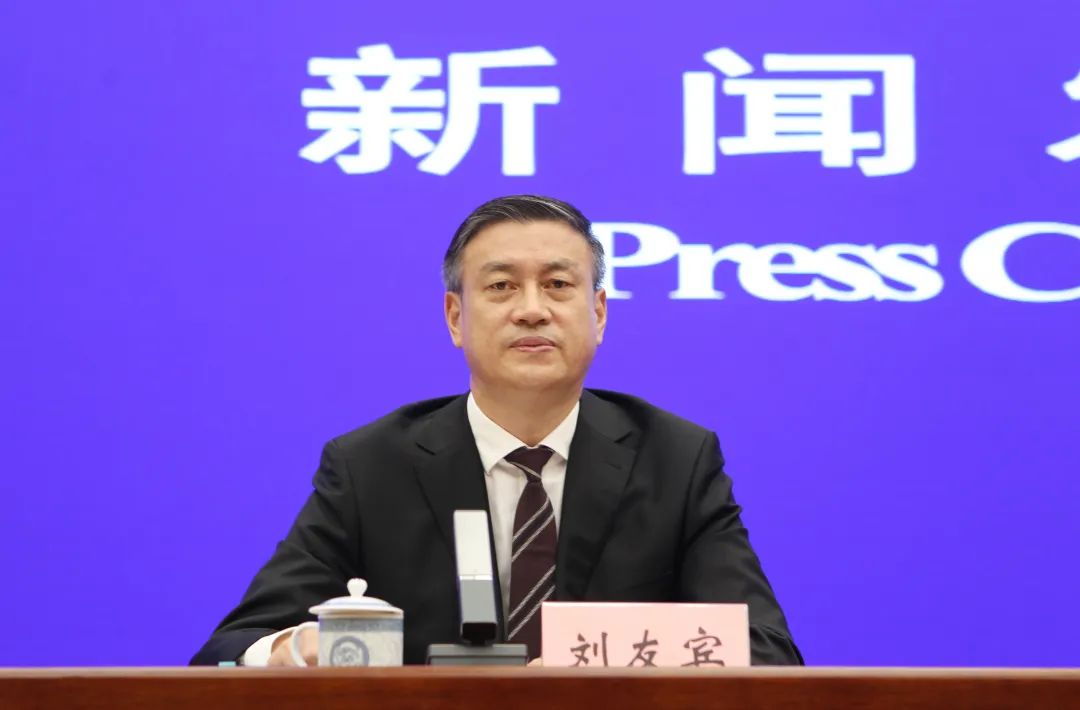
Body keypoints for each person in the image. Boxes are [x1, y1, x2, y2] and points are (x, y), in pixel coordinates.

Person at [190, 195, 802, 666]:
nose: (532, 309)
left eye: (558, 285)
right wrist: (293, 650)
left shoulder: (675, 459)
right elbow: (231, 647)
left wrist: (589, 662)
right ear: (456, 317)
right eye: (502, 286)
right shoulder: (371, 466)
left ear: (598, 313)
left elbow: (766, 650)